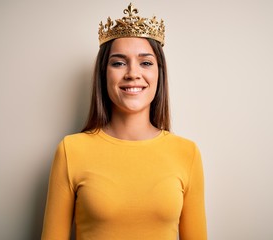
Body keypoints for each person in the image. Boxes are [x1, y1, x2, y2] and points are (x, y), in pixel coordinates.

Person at [41, 3, 207, 240]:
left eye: (146, 62)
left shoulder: (187, 153)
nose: (132, 73)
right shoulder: (71, 150)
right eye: (119, 62)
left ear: (159, 73)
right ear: (103, 73)